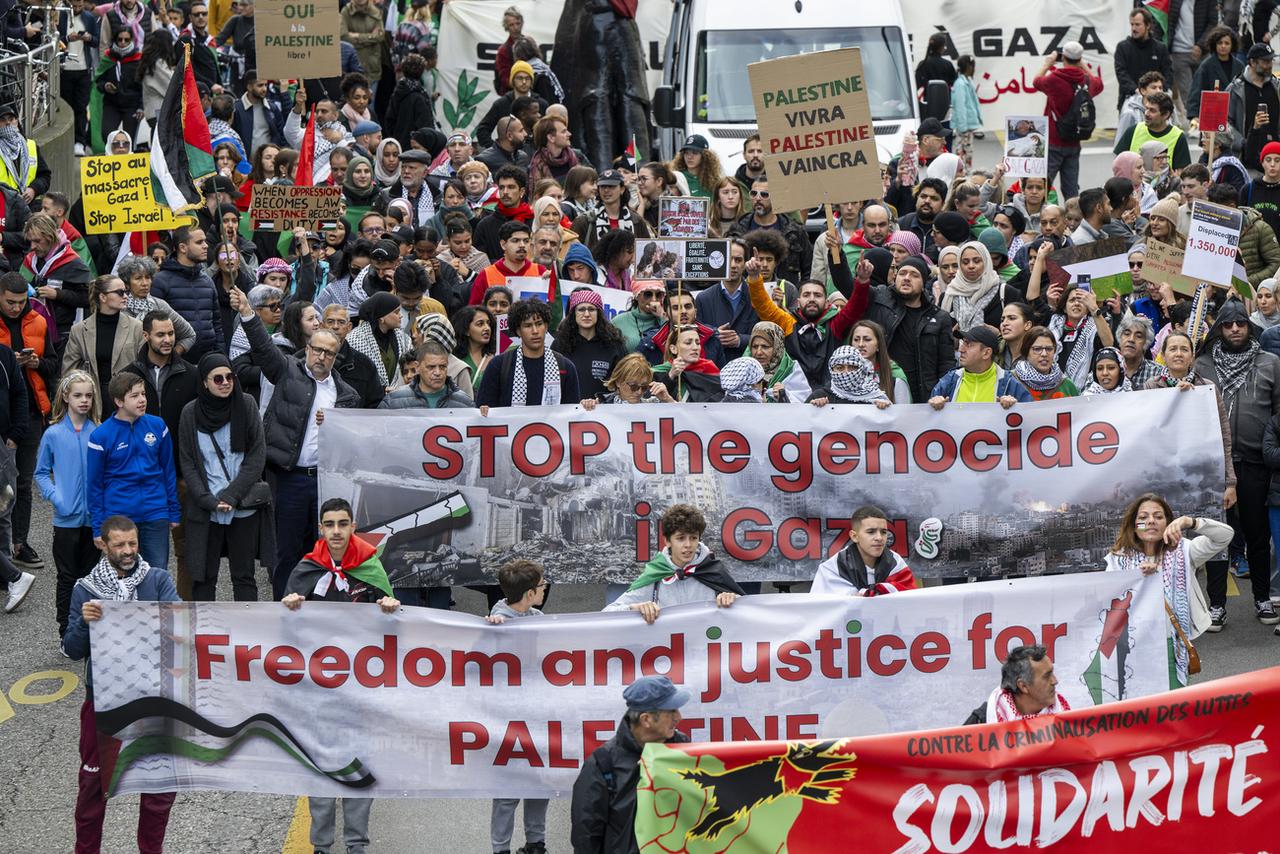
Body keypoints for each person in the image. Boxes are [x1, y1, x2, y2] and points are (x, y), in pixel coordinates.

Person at [281, 497, 397, 854]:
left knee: (360, 762)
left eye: (342, 524)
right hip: (317, 688)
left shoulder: (371, 567)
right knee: (321, 765)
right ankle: (321, 844)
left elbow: (395, 629)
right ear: (320, 528)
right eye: (329, 524)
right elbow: (283, 634)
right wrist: (288, 609)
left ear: (352, 527)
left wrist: (392, 608)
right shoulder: (305, 569)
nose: (336, 531)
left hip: (361, 688)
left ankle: (357, 843)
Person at [233, 286, 361, 598]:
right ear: (307, 348)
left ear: (336, 355)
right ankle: (284, 609)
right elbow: (263, 349)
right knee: (286, 552)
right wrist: (248, 314)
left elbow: (355, 441)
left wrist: (335, 426)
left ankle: (315, 610)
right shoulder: (287, 370)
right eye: (317, 349)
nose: (321, 357)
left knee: (319, 552)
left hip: (323, 482)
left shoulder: (346, 396)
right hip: (288, 477)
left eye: (328, 353)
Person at [64, 515, 179, 854]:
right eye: (120, 545)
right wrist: (85, 623)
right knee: (92, 788)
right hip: (103, 704)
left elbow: (181, 630)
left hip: (153, 701)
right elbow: (71, 650)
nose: (128, 551)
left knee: (158, 790)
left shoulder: (157, 580)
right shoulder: (85, 590)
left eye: (133, 543)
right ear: (103, 544)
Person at [1193, 301, 1280, 627]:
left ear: (1249, 326)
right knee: (1217, 538)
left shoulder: (1270, 363)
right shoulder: (1201, 366)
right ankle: (1216, 606)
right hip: (1214, 467)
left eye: (1240, 323)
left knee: (1258, 535)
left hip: (1257, 464)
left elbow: (1279, 413)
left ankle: (1262, 598)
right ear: (1220, 329)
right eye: (1228, 325)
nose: (1234, 329)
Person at [1107, 494, 1232, 686]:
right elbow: (1108, 602)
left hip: (1171, 645)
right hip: (1131, 646)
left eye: (1158, 517)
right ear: (1133, 526)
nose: (1150, 521)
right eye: (1143, 518)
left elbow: (1225, 536)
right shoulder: (1117, 559)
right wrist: (1138, 578)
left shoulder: (1184, 550)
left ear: (1168, 524)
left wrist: (1191, 522)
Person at [570, 674, 691, 854]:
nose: (679, 717)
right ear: (646, 720)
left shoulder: (682, 748)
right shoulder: (602, 764)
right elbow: (586, 835)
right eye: (671, 711)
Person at [482, 560, 550, 854]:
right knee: (508, 788)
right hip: (507, 717)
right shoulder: (497, 624)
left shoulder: (537, 618)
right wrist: (492, 632)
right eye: (543, 584)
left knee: (540, 781)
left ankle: (536, 842)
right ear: (530, 593)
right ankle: (501, 849)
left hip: (537, 715)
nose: (546, 588)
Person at [87, 373, 180, 570]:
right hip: (120, 516)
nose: (142, 400)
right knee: (123, 576)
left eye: (143, 394)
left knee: (156, 573)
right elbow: (94, 485)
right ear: (119, 401)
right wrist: (98, 527)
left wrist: (173, 511)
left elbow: (168, 471)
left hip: (156, 512)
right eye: (135, 396)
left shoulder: (158, 426)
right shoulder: (100, 436)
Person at [36, 371, 99, 635]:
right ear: (66, 397)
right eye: (78, 395)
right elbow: (40, 473)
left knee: (91, 578)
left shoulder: (98, 432)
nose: (83, 400)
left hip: (93, 519)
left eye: (88, 395)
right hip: (65, 520)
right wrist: (57, 498)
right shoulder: (53, 434)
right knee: (66, 577)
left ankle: (89, 629)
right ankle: (66, 629)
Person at [604, 504, 742, 621]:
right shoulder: (656, 573)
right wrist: (635, 608)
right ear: (668, 541)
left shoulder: (712, 570)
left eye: (693, 538)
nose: (688, 545)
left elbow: (746, 613)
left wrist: (732, 599)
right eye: (681, 538)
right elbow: (607, 614)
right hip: (668, 650)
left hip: (706, 649)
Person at [476, 298, 579, 408]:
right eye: (528, 325)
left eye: (539, 324)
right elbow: (484, 409)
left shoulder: (565, 366)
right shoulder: (499, 365)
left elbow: (572, 412)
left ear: (546, 326)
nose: (535, 331)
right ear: (518, 331)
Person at [1033, 41, 1104, 200]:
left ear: (1063, 57)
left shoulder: (1054, 79)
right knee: (1071, 190)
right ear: (1079, 59)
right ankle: (1074, 221)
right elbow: (1099, 84)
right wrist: (1084, 66)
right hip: (1074, 141)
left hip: (1053, 141)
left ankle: (1041, 218)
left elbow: (1036, 81)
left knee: (1042, 185)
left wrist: (1047, 64)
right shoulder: (1086, 81)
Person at [61, 275, 146, 408]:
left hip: (128, 401)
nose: (125, 296)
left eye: (126, 292)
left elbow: (144, 367)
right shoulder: (79, 330)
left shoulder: (136, 327)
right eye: (120, 292)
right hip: (94, 403)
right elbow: (69, 372)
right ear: (103, 297)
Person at [150, 227, 224, 362]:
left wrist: (220, 355)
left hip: (208, 360)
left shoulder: (207, 281)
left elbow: (217, 324)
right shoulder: (160, 281)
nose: (206, 246)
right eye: (199, 242)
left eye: (205, 241)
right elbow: (152, 325)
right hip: (175, 361)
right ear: (183, 248)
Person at [811, 505, 916, 595]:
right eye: (871, 532)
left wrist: (868, 594)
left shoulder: (896, 563)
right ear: (854, 536)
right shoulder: (832, 569)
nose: (879, 538)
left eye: (884, 532)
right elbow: (820, 609)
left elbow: (909, 599)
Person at [729, 176, 811, 286]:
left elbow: (808, 269)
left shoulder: (794, 232)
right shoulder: (738, 230)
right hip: (747, 296)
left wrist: (797, 294)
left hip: (785, 297)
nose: (758, 198)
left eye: (764, 194)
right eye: (754, 194)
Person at [928, 325, 1032, 408]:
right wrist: (933, 405)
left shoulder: (1010, 383)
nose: (961, 350)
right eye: (962, 343)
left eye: (968, 344)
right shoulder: (949, 381)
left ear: (986, 353)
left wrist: (1015, 407)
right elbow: (929, 420)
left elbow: (1029, 419)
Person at [963, 644, 1070, 724]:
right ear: (1023, 686)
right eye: (1047, 676)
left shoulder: (1063, 716)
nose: (1055, 681)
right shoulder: (982, 719)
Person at [551, 289, 627, 400]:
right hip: (568, 413)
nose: (586, 314)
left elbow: (626, 379)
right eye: (581, 309)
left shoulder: (614, 343)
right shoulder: (560, 344)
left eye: (591, 309)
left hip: (606, 412)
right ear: (573, 314)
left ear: (599, 313)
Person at [1048, 284, 1116, 392]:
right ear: (1064, 308)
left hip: (1086, 393)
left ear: (1088, 307)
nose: (1076, 303)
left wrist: (1094, 308)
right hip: (1054, 391)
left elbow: (1108, 343)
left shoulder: (1094, 327)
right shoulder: (1053, 326)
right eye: (1072, 300)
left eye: (1081, 300)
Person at [1227, 43, 1280, 171]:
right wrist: (1242, 144)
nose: (1270, 65)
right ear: (1252, 62)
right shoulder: (1236, 89)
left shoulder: (1276, 86)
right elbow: (1225, 123)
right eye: (1265, 61)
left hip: (1275, 160)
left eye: (1271, 60)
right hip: (1246, 161)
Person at [380, 340, 474, 409]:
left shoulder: (464, 403)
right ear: (417, 367)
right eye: (431, 367)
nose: (437, 372)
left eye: (442, 367)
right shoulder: (393, 401)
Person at [469, 220, 543, 305]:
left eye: (526, 241)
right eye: (515, 240)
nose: (522, 245)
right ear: (503, 244)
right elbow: (475, 311)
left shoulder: (540, 271)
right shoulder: (485, 276)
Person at [1115, 7, 1173, 114]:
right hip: (1130, 102)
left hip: (1157, 105)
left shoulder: (1160, 48)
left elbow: (1168, 73)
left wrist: (1159, 91)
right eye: (1132, 24)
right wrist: (1137, 90)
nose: (1133, 28)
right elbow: (1121, 73)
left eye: (1137, 24)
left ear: (1148, 25)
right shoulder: (1123, 47)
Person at [1114, 91, 1191, 171]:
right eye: (1146, 108)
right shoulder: (1133, 131)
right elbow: (1119, 164)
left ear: (1166, 114)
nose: (1146, 113)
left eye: (1152, 111)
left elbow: (1180, 172)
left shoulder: (1178, 137)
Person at [652, 324, 722, 402]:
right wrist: (671, 376)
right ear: (674, 349)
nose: (695, 348)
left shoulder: (709, 369)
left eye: (698, 343)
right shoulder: (657, 372)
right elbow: (652, 400)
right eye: (688, 343)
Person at [747, 320, 811, 404]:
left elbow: (804, 403)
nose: (758, 352)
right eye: (754, 346)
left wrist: (784, 396)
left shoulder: (791, 369)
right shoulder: (744, 370)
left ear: (777, 347)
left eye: (765, 347)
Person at [806, 346, 889, 407]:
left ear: (861, 368)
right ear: (831, 370)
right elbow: (802, 422)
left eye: (852, 367)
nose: (846, 373)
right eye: (839, 368)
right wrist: (813, 409)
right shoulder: (819, 395)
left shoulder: (875, 397)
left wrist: (882, 411)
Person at [1012, 326, 1080, 400]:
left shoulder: (1067, 385)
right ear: (1026, 351)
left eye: (1049, 349)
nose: (1044, 354)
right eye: (1037, 349)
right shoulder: (1010, 381)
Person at [1114, 314, 1165, 388]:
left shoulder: (1158, 372)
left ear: (1146, 343)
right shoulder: (1105, 369)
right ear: (1119, 339)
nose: (1131, 339)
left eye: (1138, 336)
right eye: (1127, 334)